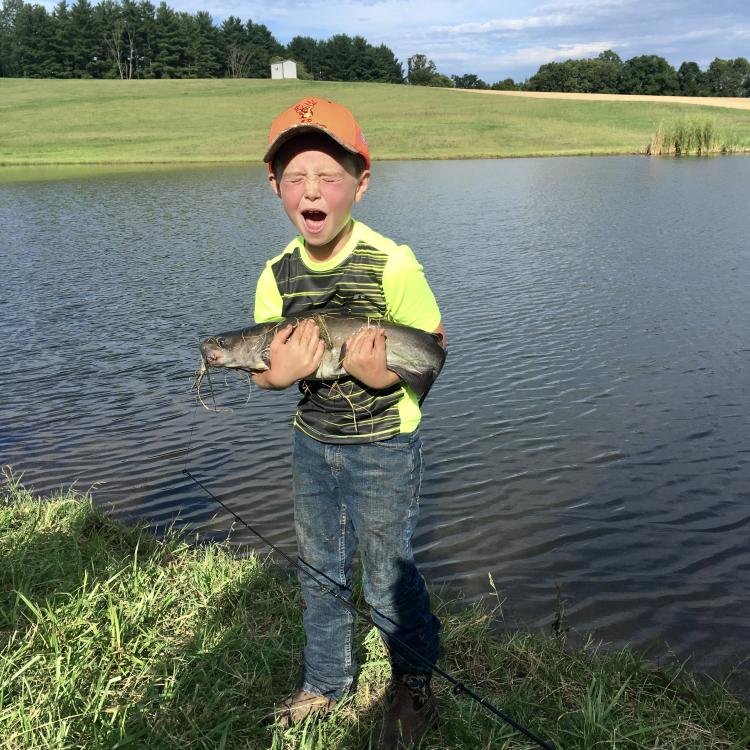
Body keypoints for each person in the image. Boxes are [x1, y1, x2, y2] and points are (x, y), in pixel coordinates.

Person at [252, 96, 445, 749]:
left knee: (389, 570)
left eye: (328, 176)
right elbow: (261, 363)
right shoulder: (275, 275)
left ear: (361, 182)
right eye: (295, 176)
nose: (312, 190)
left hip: (385, 448)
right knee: (318, 569)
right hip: (312, 447)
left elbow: (433, 346)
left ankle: (412, 679)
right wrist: (276, 378)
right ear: (273, 184)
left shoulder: (393, 262)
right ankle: (325, 682)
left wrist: (381, 375)